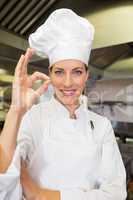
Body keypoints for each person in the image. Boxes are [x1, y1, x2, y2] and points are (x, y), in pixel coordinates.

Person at [0, 8, 127, 200]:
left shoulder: (102, 126)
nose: (68, 83)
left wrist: (41, 195)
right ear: (50, 75)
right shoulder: (33, 117)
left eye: (77, 72)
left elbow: (115, 194)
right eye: (59, 72)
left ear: (86, 76)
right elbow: (4, 178)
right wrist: (15, 111)